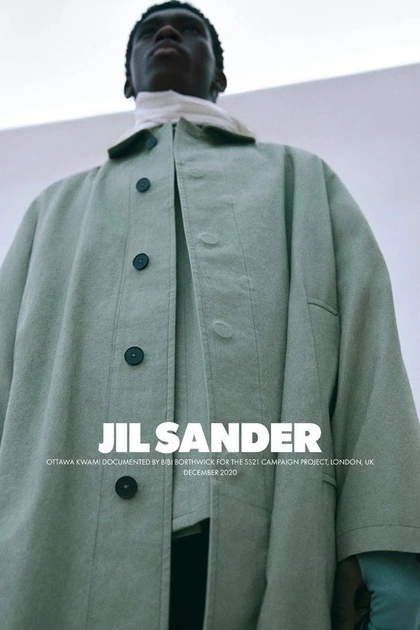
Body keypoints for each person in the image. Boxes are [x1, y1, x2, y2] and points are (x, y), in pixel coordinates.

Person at [0, 2, 419, 629]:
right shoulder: (52, 211)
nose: (168, 30)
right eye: (149, 30)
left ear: (219, 75)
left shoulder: (301, 181)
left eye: (189, 28)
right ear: (127, 80)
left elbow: (368, 353)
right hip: (59, 549)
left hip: (256, 542)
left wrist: (382, 538)